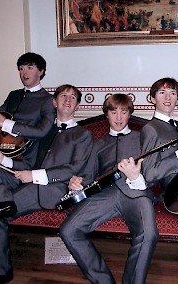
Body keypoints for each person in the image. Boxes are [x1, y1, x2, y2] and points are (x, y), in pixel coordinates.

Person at [0, 84, 94, 284]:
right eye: (63, 96)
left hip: (55, 187)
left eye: (73, 98)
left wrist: (35, 175)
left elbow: (74, 168)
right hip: (29, 177)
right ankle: (3, 202)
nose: (67, 100)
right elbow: (28, 163)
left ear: (77, 106)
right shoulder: (43, 131)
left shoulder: (83, 135)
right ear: (54, 102)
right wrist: (3, 160)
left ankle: (1, 266)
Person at [60, 94, 159, 284]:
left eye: (124, 112)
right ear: (107, 115)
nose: (119, 118)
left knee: (149, 234)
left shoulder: (143, 138)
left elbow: (154, 173)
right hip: (105, 194)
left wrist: (137, 178)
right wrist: (75, 183)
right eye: (114, 112)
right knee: (69, 231)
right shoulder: (97, 145)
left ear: (130, 114)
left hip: (136, 193)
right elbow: (87, 177)